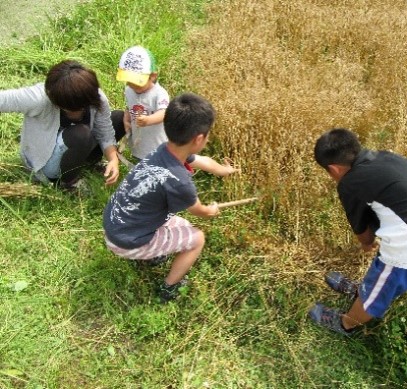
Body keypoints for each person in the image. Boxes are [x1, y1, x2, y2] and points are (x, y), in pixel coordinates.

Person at [309, 128, 407, 335]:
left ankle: (346, 324)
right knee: (381, 275)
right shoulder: (385, 157)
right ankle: (361, 291)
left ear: (334, 169)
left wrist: (366, 243)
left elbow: (361, 227)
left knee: (381, 286)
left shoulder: (349, 182)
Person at [103, 92, 239, 303]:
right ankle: (170, 287)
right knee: (196, 239)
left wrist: (224, 171)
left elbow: (201, 160)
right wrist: (210, 210)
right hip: (125, 241)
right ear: (199, 139)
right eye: (208, 135)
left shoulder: (163, 150)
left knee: (179, 223)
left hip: (115, 224)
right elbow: (200, 211)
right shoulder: (180, 181)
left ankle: (153, 254)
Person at [0, 60, 125, 189]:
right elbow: (3, 100)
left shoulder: (94, 96)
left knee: (118, 118)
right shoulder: (40, 98)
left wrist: (112, 159)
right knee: (81, 134)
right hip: (46, 162)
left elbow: (105, 132)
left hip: (78, 149)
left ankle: (89, 163)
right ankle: (67, 182)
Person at [116, 45, 169, 160]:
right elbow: (129, 106)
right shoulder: (129, 90)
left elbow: (164, 113)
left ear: (153, 76)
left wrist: (149, 120)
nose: (133, 86)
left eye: (138, 82)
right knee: (140, 160)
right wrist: (126, 118)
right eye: (129, 82)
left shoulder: (159, 93)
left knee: (156, 165)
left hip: (156, 142)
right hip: (140, 140)